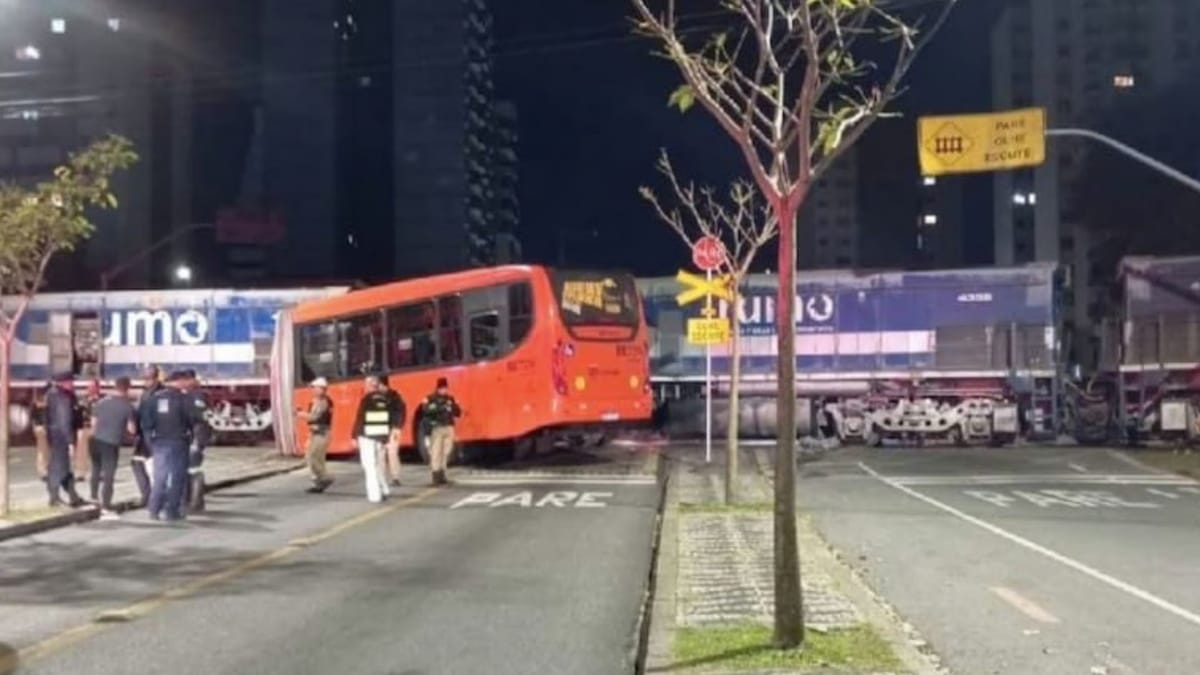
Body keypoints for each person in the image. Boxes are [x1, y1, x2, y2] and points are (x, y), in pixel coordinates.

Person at [140, 370, 201, 522]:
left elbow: (146, 423)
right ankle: (171, 511)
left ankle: (154, 509)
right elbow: (192, 420)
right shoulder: (184, 399)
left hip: (159, 442)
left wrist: (150, 443)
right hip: (179, 442)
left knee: (160, 476)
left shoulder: (154, 399)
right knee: (177, 477)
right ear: (179, 381)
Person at [351, 372, 405, 503]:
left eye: (366, 384)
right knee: (376, 464)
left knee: (369, 465)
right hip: (380, 436)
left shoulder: (366, 400)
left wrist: (354, 436)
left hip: (367, 436)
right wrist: (388, 435)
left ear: (370, 385)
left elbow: (360, 419)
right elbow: (391, 418)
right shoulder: (385, 399)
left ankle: (375, 495)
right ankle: (384, 488)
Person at [88, 377, 136, 519]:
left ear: (115, 386)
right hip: (111, 442)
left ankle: (93, 498)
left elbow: (93, 423)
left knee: (96, 469)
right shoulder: (127, 407)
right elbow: (131, 429)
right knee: (109, 474)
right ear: (127, 388)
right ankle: (106, 506)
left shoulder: (101, 403)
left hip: (96, 440)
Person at [44, 373, 85, 507]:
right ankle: (54, 497)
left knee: (64, 467)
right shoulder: (62, 398)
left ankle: (73, 496)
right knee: (58, 466)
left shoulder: (52, 394)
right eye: (70, 382)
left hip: (55, 434)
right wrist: (70, 441)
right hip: (61, 436)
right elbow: (64, 420)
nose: (72, 384)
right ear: (63, 382)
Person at [180, 369, 211, 512]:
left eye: (186, 380)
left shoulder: (198, 395)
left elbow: (199, 416)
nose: (183, 383)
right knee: (186, 469)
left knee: (193, 469)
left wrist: (197, 441)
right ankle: (189, 500)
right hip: (187, 436)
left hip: (197, 436)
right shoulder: (185, 395)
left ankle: (196, 502)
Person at [131, 365, 163, 506]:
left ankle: (156, 496)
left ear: (155, 378)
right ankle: (147, 494)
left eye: (148, 378)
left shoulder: (161, 393)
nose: (146, 381)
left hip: (154, 433)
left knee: (155, 465)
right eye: (144, 378)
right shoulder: (146, 392)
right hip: (143, 433)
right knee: (137, 462)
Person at [421, 377, 462, 486]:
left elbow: (458, 412)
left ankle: (442, 475)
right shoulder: (430, 398)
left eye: (445, 388)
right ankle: (435, 476)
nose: (444, 390)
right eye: (442, 388)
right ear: (438, 388)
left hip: (449, 427)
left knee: (446, 452)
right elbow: (426, 410)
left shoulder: (450, 399)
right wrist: (442, 407)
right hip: (437, 428)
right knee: (436, 452)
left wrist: (453, 406)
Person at [299, 377, 334, 493]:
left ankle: (324, 478)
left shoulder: (322, 402)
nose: (312, 390)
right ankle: (318, 482)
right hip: (316, 433)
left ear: (321, 389)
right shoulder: (318, 400)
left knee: (314, 457)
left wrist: (299, 414)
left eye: (314, 388)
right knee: (313, 457)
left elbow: (314, 417)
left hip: (321, 433)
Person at [74, 379, 101, 481]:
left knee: (97, 451)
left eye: (94, 387)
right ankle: (80, 473)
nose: (91, 389)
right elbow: (77, 414)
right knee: (81, 452)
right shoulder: (83, 401)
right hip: (84, 427)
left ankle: (98, 472)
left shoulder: (102, 401)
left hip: (98, 428)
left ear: (98, 388)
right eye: (90, 387)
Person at [382, 375, 406, 487]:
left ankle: (395, 477)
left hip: (392, 428)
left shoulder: (395, 396)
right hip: (381, 429)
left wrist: (398, 427)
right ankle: (381, 477)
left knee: (392, 453)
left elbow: (401, 412)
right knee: (380, 454)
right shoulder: (377, 396)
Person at [31, 383, 50, 482]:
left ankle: (44, 470)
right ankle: (43, 471)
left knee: (43, 451)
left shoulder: (37, 403)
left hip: (41, 428)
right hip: (41, 428)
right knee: (43, 451)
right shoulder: (41, 403)